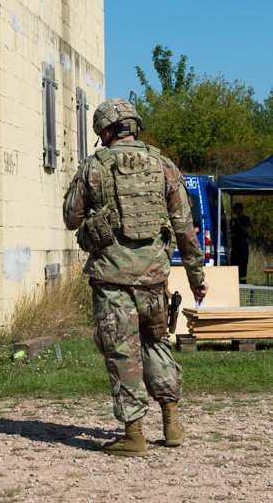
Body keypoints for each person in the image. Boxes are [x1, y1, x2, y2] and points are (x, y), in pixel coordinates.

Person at [63, 98, 208, 457]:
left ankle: (134, 434)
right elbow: (184, 228)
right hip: (155, 278)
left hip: (112, 279)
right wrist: (196, 276)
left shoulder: (95, 167)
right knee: (157, 341)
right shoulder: (165, 166)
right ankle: (171, 423)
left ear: (108, 130)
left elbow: (70, 216)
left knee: (122, 351)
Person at [230, 202, 251, 283]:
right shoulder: (235, 220)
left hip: (242, 245)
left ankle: (243, 283)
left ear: (239, 210)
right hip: (235, 245)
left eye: (235, 210)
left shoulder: (246, 219)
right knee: (234, 264)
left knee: (242, 265)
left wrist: (239, 223)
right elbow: (233, 232)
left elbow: (247, 230)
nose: (234, 212)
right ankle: (234, 282)